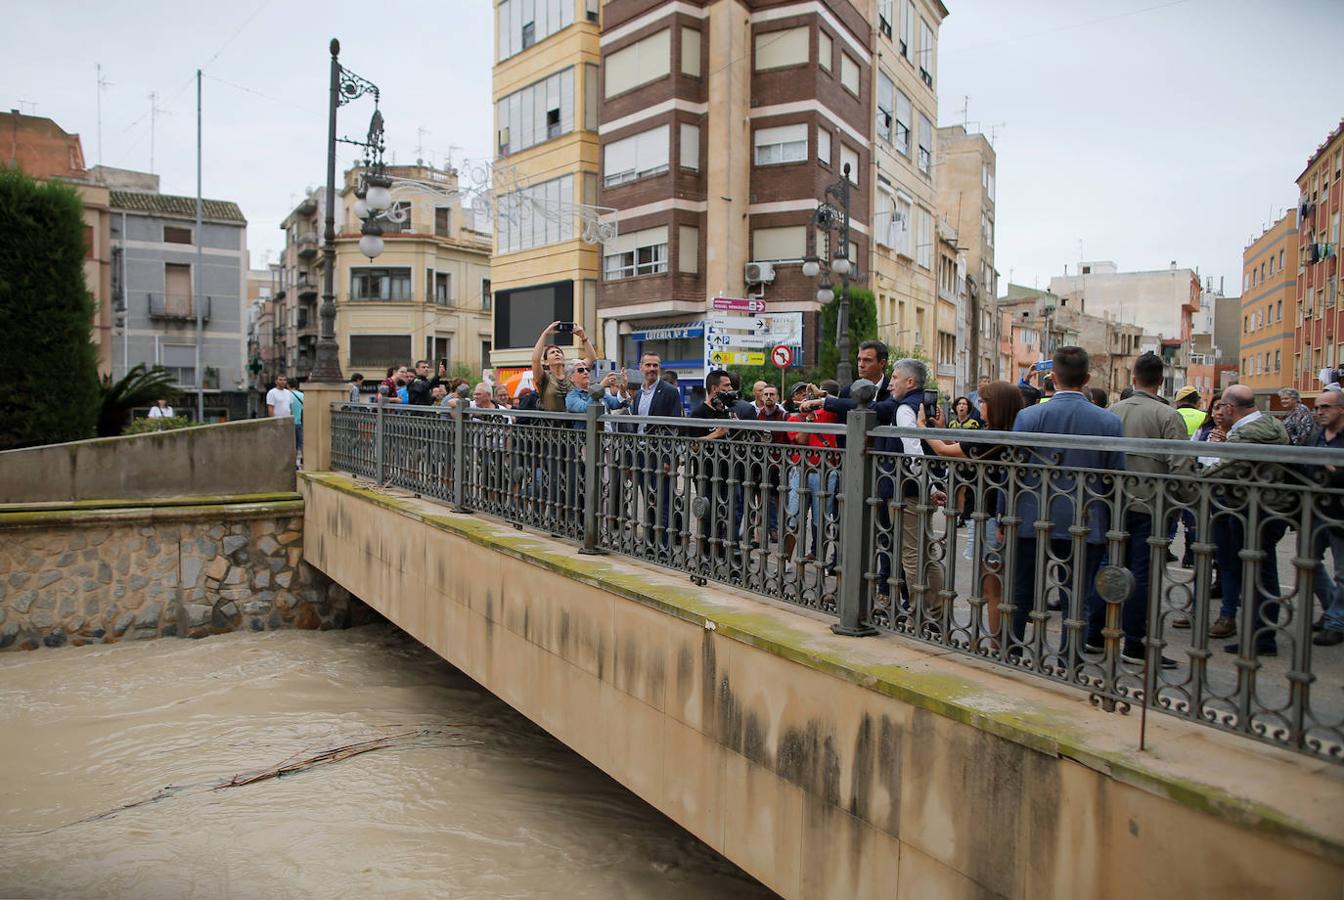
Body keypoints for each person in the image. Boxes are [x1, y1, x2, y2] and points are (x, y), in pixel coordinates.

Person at [1004, 347, 1125, 661]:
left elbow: (1012, 470)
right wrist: (1113, 525)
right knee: (1076, 597)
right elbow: (1116, 479)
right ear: (1086, 379)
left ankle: (1012, 654)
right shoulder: (1109, 422)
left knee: (1021, 591)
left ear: (1052, 377)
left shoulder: (1029, 416)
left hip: (1032, 515)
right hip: (1086, 519)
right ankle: (1069, 662)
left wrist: (1006, 514)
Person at [1085, 352, 1185, 669]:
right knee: (1142, 575)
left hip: (1114, 503)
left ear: (1134, 378)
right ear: (1160, 380)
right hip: (1150, 505)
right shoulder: (1168, 416)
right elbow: (1181, 467)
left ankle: (1095, 634)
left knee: (1108, 565)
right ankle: (1135, 643)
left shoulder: (1113, 412)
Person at [922, 381, 1025, 641]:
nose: (980, 405)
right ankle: (998, 642)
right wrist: (942, 429)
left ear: (997, 406)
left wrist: (922, 428)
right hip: (999, 514)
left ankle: (996, 645)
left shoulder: (988, 435)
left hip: (990, 516)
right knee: (996, 584)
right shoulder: (1008, 434)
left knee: (992, 587)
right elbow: (962, 450)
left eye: (984, 401)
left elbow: (946, 450)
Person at [1206, 384, 1290, 656]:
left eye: (1222, 408)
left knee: (1257, 575)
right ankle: (1262, 634)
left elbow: (1223, 470)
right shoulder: (1273, 426)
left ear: (1230, 408)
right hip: (1273, 508)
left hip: (1250, 510)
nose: (1219, 412)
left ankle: (1260, 639)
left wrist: (1196, 471)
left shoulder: (1243, 436)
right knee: (1263, 572)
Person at [783, 383, 840, 566]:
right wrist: (807, 418)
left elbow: (844, 404)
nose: (805, 398)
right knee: (792, 517)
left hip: (826, 472)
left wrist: (821, 395)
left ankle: (819, 559)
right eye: (800, 394)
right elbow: (801, 442)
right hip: (801, 471)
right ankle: (785, 563)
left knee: (820, 520)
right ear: (795, 400)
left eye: (807, 394)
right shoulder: (793, 420)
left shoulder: (827, 413)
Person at [1308, 388, 1344, 646]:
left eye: (1326, 407)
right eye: (1318, 407)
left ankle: (1336, 622)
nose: (1320, 412)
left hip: (1340, 512)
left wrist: (1335, 471)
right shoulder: (1316, 436)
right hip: (1316, 509)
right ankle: (1333, 608)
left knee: (1343, 572)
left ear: (1340, 409)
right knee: (1307, 563)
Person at [531, 321, 597, 413]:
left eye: (559, 352)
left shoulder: (571, 373)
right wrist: (545, 334)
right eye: (552, 353)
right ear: (546, 362)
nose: (556, 354)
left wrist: (583, 337)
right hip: (552, 425)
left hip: (571, 425)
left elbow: (592, 358)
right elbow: (535, 360)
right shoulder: (544, 377)